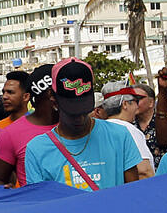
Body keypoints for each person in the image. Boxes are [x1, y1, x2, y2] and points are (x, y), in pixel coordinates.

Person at [24, 58, 141, 190]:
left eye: (84, 110)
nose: (79, 117)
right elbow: (40, 202)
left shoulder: (120, 136)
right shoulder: (37, 149)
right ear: (53, 100)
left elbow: (133, 194)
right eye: (71, 112)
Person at [0, 64, 57, 187]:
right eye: (3, 92)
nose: (4, 97)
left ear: (26, 96)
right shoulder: (3, 130)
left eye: (10, 92)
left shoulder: (73, 125)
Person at [99, 82, 154, 179]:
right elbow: (144, 171)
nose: (137, 107)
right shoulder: (128, 130)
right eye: (135, 101)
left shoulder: (99, 130)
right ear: (125, 104)